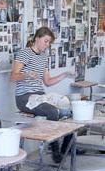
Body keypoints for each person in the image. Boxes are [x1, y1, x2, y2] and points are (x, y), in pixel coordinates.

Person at [10, 26, 74, 163]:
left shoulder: (44, 57)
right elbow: (13, 77)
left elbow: (48, 82)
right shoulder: (24, 53)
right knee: (53, 111)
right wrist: (26, 74)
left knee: (69, 111)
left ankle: (65, 149)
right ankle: (54, 150)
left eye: (49, 42)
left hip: (39, 96)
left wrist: (64, 74)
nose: (47, 45)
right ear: (37, 38)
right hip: (24, 97)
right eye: (46, 41)